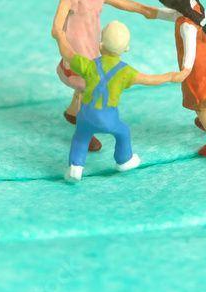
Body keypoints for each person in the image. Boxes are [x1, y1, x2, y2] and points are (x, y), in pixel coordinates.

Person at [51, 0, 162, 152]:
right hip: (77, 48)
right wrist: (64, 45)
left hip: (93, 44)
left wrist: (144, 10)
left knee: (84, 86)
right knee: (89, 86)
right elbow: (56, 28)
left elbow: (121, 2)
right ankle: (85, 131)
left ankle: (72, 112)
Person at [57, 20, 187, 182]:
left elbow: (68, 53)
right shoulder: (127, 72)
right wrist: (175, 76)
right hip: (108, 119)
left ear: (101, 45)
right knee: (123, 132)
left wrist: (60, 37)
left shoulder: (89, 65)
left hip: (85, 115)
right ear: (126, 49)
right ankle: (124, 160)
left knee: (81, 137)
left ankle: (75, 168)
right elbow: (151, 79)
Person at [156, 0, 206, 157]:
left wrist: (185, 71)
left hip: (197, 67)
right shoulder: (196, 8)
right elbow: (170, 14)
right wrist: (148, 11)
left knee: (200, 102)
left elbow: (189, 50)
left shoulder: (187, 26)